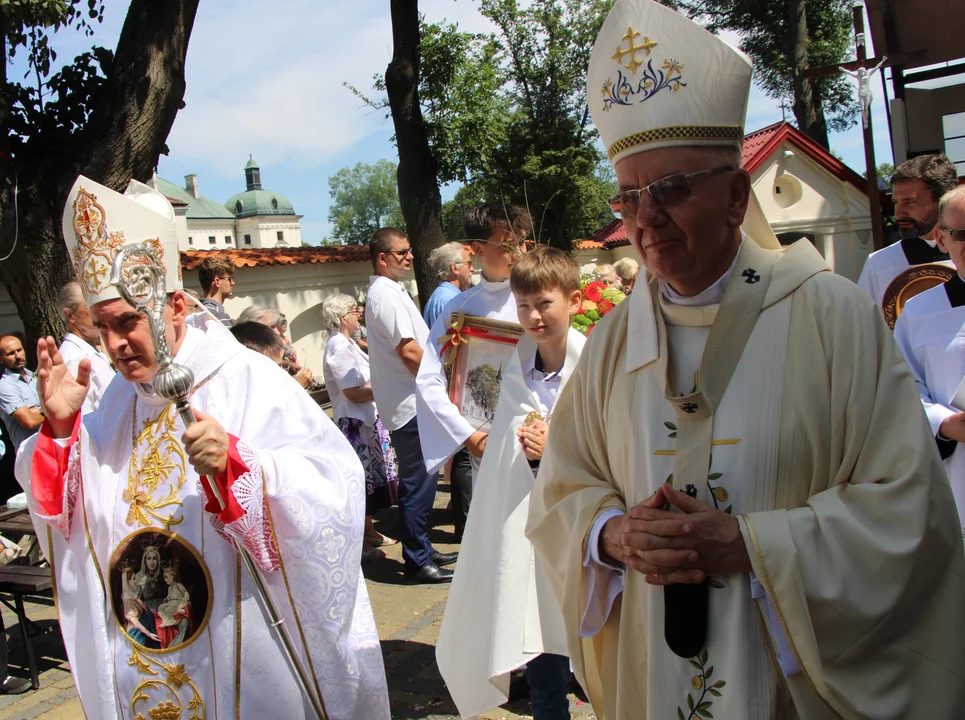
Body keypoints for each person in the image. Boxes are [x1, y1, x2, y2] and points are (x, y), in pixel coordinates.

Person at [525, 3, 965, 719]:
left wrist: (754, 546)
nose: (645, 218)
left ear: (735, 196)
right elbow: (564, 494)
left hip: (792, 673)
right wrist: (611, 534)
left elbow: (906, 505)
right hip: (652, 662)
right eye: (629, 195)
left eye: (669, 189)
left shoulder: (830, 316)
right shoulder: (610, 344)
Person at [17, 176, 390, 718]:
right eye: (102, 328)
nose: (116, 345)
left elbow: (335, 484)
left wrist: (245, 467)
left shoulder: (247, 379)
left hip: (241, 638)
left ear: (172, 303)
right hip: (145, 646)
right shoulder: (114, 406)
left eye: (127, 321)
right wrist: (57, 430)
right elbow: (71, 523)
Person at [437, 248, 584, 719]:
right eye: (523, 306)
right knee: (540, 653)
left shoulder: (598, 368)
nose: (533, 316)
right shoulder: (515, 372)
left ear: (574, 302)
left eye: (544, 303)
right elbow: (502, 449)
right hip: (528, 535)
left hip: (583, 534)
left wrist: (557, 446)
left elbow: (617, 445)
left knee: (596, 656)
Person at [416, 205, 532, 536]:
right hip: (488, 445)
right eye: (507, 243)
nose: (518, 252)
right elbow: (429, 379)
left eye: (522, 241)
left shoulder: (538, 297)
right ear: (477, 249)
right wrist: (470, 436)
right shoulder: (459, 309)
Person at [365, 228, 457, 583]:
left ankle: (422, 547)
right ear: (382, 258)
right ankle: (417, 560)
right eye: (401, 252)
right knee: (418, 482)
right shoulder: (385, 295)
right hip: (410, 405)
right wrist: (444, 383)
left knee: (426, 478)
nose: (410, 256)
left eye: (409, 250)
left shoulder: (389, 291)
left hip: (411, 402)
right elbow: (409, 352)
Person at [895, 183, 965, 538]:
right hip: (957, 478)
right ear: (942, 239)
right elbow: (901, 388)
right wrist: (945, 423)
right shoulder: (920, 311)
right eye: (963, 234)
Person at [321, 293, 399, 561]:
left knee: (370, 481)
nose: (358, 316)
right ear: (343, 318)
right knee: (360, 482)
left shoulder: (348, 343)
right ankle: (361, 542)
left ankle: (370, 531)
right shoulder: (338, 346)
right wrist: (385, 388)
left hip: (365, 421)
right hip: (355, 423)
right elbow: (352, 391)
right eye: (355, 312)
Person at [857, 154, 958, 305]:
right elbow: (864, 324)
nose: (898, 214)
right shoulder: (879, 264)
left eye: (909, 202)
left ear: (942, 200)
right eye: (896, 202)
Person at [57, 281, 116, 414]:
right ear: (70, 315)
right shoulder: (73, 359)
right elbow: (82, 422)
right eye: (90, 306)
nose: (100, 313)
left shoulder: (90, 351)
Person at [237, 304, 314, 389]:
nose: (277, 332)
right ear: (251, 330)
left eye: (277, 327)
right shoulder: (246, 364)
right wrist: (296, 385)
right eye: (272, 327)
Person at [0, 335, 42, 455]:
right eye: (11, 353)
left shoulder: (34, 378)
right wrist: (51, 413)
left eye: (19, 350)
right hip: (30, 455)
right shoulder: (5, 386)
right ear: (1, 359)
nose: (18, 356)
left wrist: (37, 411)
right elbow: (29, 422)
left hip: (52, 449)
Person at [423, 242, 474, 327]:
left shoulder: (439, 296)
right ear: (454, 268)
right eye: (469, 264)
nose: (472, 269)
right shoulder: (452, 300)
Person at [197, 255, 235, 327]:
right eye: (229, 279)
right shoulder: (217, 314)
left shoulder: (198, 311)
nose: (233, 283)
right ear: (217, 281)